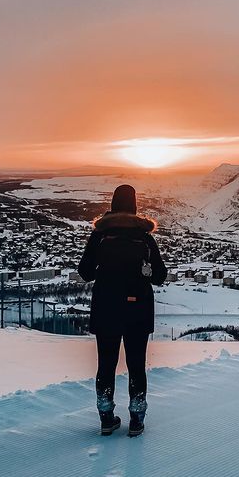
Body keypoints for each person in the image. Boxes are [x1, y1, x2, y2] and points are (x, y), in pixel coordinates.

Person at [78, 184, 167, 437]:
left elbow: (84, 272)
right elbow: (160, 276)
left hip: (106, 306)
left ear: (113, 204)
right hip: (137, 308)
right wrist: (143, 272)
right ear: (135, 205)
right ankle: (137, 419)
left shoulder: (100, 235)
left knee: (106, 364)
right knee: (136, 364)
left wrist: (106, 273)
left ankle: (106, 418)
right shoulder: (144, 237)